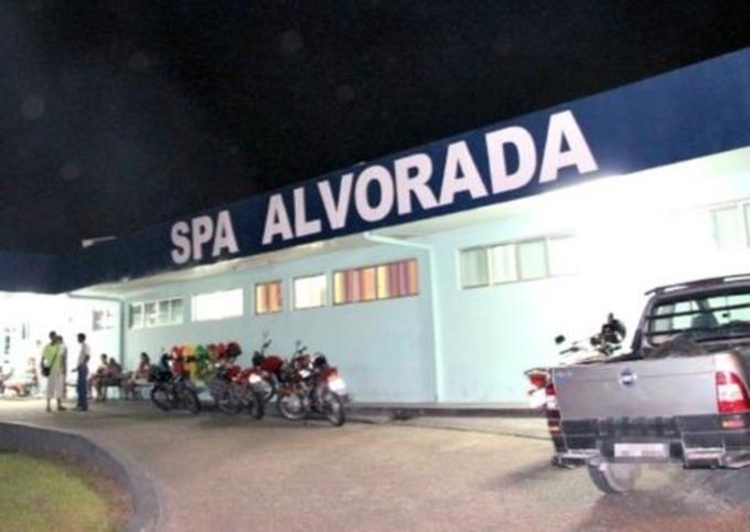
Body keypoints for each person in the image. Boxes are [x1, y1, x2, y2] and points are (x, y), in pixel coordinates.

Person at [41, 331, 66, 412]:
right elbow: (43, 358)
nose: (54, 338)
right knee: (50, 386)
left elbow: (62, 358)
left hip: (59, 368)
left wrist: (64, 368)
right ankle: (48, 405)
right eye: (53, 336)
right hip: (51, 368)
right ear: (50, 337)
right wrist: (42, 367)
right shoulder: (47, 346)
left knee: (59, 387)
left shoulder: (60, 346)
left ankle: (59, 405)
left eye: (55, 336)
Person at [73, 333, 91, 411]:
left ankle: (84, 405)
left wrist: (83, 364)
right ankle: (79, 404)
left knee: (83, 387)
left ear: (81, 338)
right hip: (80, 368)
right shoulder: (82, 346)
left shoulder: (86, 346)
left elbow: (87, 356)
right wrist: (77, 368)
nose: (77, 339)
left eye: (78, 338)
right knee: (80, 387)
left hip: (83, 368)